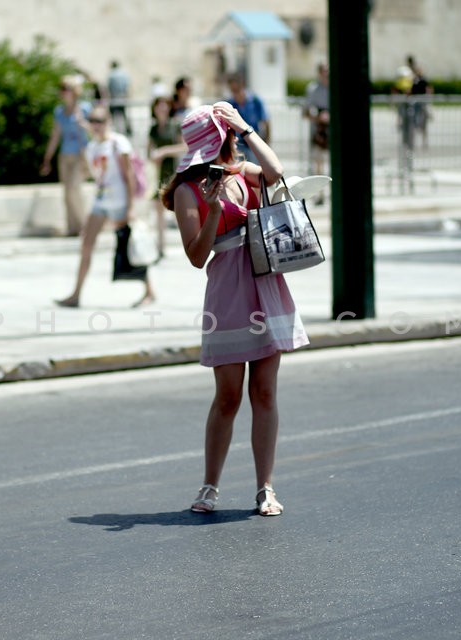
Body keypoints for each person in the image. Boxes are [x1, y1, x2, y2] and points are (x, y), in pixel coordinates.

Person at [161, 101, 309, 517]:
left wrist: (247, 129)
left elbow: (276, 172)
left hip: (266, 285)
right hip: (227, 295)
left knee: (264, 392)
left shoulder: (244, 173)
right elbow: (196, 256)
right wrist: (210, 210)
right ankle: (210, 486)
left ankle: (266, 488)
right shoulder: (187, 192)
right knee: (227, 397)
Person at [56, 105, 155, 308]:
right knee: (86, 244)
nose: (96, 125)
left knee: (128, 245)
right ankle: (76, 294)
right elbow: (95, 174)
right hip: (101, 201)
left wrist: (129, 208)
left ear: (108, 121)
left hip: (119, 202)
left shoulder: (118, 143)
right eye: (92, 121)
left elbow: (128, 177)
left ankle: (149, 290)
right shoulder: (92, 147)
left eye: (99, 121)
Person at [40, 75, 92, 236]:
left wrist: (83, 123)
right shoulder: (59, 112)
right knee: (66, 191)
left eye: (66, 89)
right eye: (61, 88)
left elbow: (95, 130)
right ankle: (72, 228)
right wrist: (47, 158)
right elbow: (55, 135)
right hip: (64, 155)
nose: (63, 92)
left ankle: (84, 226)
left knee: (74, 189)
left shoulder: (84, 109)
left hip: (80, 154)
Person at [148, 95, 186, 258]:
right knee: (159, 213)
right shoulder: (153, 129)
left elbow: (184, 146)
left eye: (164, 106)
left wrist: (164, 152)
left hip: (174, 173)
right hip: (159, 175)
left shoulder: (175, 125)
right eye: (159, 106)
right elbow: (149, 150)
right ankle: (160, 246)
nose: (162, 109)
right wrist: (154, 157)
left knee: (180, 212)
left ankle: (189, 242)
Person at [225, 71, 270, 164]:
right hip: (238, 145)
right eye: (233, 91)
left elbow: (266, 121)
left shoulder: (255, 101)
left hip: (253, 143)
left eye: (237, 90)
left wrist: (266, 143)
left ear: (242, 86)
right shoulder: (230, 103)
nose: (235, 94)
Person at [302, 62, 329, 204]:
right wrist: (319, 118)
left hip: (333, 131)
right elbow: (305, 112)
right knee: (318, 164)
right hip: (319, 131)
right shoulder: (313, 89)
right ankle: (320, 195)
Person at [106, 59, 132, 136]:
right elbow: (128, 86)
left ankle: (114, 130)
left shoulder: (111, 75)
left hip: (114, 97)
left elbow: (109, 87)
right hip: (123, 96)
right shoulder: (124, 74)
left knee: (113, 114)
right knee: (124, 114)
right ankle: (128, 129)